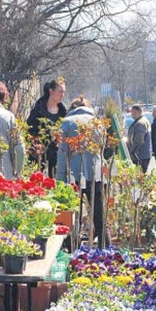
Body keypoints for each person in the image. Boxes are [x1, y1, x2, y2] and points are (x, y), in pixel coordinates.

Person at [56, 97, 109, 247]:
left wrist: (60, 179)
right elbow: (102, 149)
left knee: (73, 214)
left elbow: (62, 152)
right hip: (94, 173)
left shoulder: (66, 123)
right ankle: (105, 247)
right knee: (99, 213)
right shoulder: (97, 123)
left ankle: (71, 247)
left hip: (73, 173)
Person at [27, 78, 67, 177]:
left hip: (57, 154)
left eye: (64, 92)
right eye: (60, 91)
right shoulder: (38, 110)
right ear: (51, 92)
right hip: (39, 154)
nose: (62, 95)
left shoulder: (63, 112)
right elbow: (29, 129)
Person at [127, 104, 152, 171]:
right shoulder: (143, 121)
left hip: (140, 155)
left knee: (140, 176)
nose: (132, 114)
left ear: (137, 112)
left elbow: (139, 140)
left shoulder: (140, 123)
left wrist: (132, 152)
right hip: (144, 154)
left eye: (133, 112)